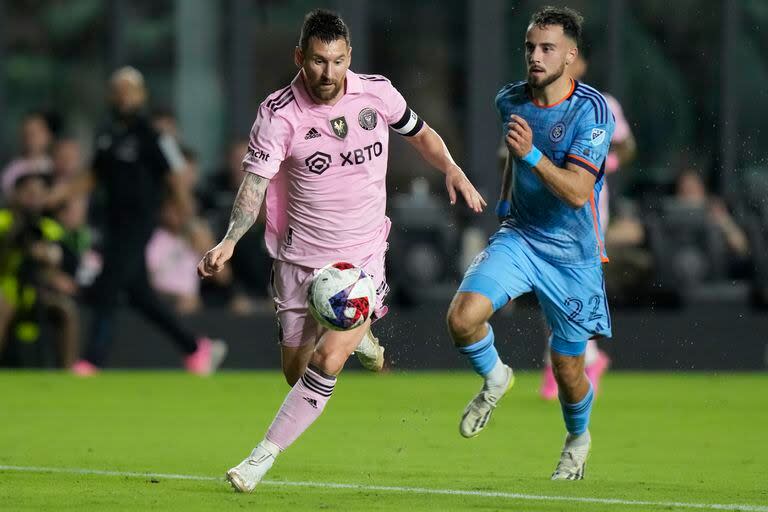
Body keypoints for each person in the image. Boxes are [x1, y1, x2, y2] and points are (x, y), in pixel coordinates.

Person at [197, 9, 485, 492]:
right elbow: (254, 185)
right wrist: (229, 239)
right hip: (298, 260)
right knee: (297, 373)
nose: (327, 73)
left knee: (327, 361)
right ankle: (365, 340)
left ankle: (258, 460)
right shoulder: (278, 113)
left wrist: (451, 168)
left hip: (361, 259)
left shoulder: (377, 92)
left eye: (336, 61)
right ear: (300, 58)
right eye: (316, 61)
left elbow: (422, 134)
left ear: (349, 56)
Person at [445, 6, 615, 480]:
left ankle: (577, 440)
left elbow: (579, 191)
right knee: (461, 319)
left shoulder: (592, 110)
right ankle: (496, 377)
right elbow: (514, 159)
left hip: (572, 255)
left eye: (547, 49)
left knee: (567, 370)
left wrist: (532, 154)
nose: (535, 57)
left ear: (571, 55)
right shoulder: (510, 99)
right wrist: (503, 204)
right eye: (530, 48)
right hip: (521, 236)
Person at [59, 67, 226, 376]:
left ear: (141, 95)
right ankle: (195, 348)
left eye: (130, 90)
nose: (124, 96)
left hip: (140, 222)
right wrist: (58, 194)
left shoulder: (154, 135)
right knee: (139, 295)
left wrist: (190, 222)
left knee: (109, 284)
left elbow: (176, 178)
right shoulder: (107, 136)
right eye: (118, 90)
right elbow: (91, 177)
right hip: (115, 222)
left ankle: (92, 360)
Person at [538, 47, 636, 399]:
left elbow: (626, 146)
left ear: (579, 61)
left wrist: (605, 162)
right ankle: (583, 359)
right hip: (546, 203)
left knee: (570, 283)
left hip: (587, 208)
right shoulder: (540, 100)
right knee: (550, 283)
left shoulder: (601, 103)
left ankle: (565, 363)